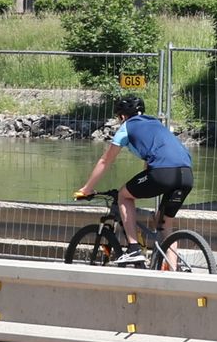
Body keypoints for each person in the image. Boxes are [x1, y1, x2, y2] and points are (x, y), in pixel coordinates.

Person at [75, 95, 195, 259]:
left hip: (163, 173)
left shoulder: (126, 127)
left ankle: (133, 249)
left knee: (124, 195)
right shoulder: (155, 123)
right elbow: (150, 162)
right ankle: (172, 269)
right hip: (186, 175)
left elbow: (105, 160)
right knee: (163, 223)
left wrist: (87, 188)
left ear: (122, 116)